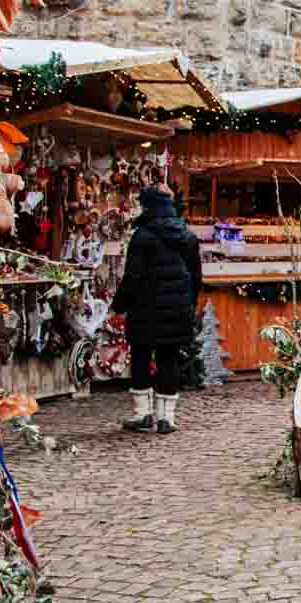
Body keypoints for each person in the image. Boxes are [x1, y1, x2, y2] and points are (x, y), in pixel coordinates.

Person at [112, 185, 202, 434]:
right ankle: (167, 418)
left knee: (141, 357)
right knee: (168, 359)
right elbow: (196, 276)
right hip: (178, 307)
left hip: (145, 308)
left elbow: (133, 276)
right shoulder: (188, 236)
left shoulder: (143, 236)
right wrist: (189, 305)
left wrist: (119, 306)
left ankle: (143, 415)